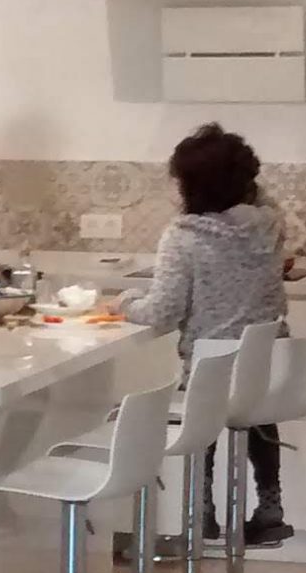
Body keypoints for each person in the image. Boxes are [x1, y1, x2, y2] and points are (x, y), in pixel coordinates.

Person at [122, 123, 292, 545]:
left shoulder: (183, 237)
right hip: (268, 370)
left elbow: (162, 313)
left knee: (203, 401)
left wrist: (124, 303)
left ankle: (201, 509)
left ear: (189, 186)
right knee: (251, 402)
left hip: (210, 375)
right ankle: (269, 504)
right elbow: (263, 199)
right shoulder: (269, 226)